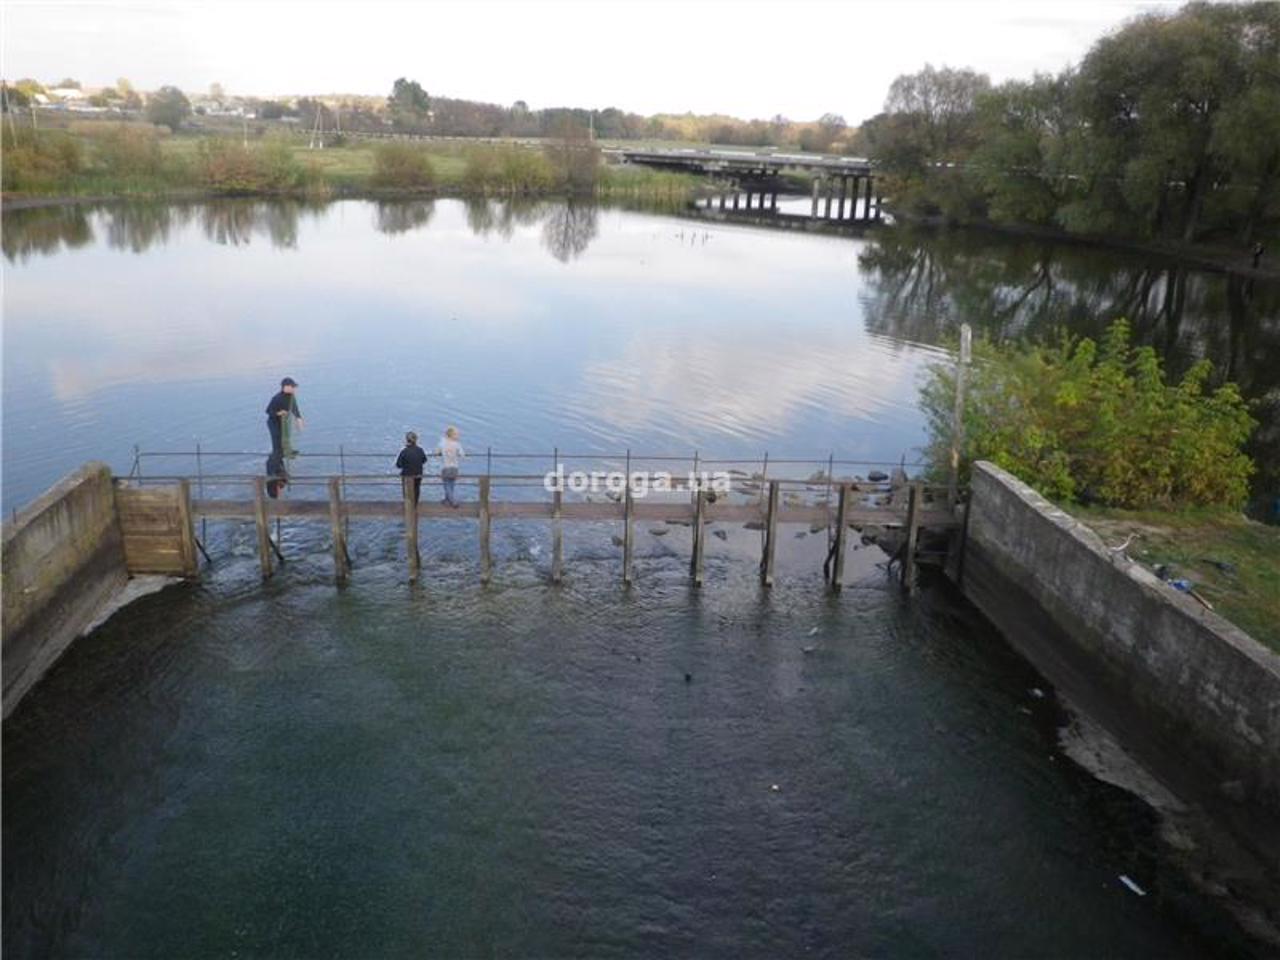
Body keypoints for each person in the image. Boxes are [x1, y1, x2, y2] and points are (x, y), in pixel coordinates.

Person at [266, 377, 304, 458]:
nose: (294, 388)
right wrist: (279, 413)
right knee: (277, 446)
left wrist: (298, 419)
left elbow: (294, 408)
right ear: (285, 387)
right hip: (274, 423)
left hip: (283, 422)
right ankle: (272, 468)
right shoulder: (277, 398)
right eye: (292, 387)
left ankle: (286, 454)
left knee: (285, 440)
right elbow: (268, 411)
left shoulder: (291, 396)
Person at [435, 425, 465, 507]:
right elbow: (462, 455)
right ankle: (447, 500)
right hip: (455, 467)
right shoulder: (457, 444)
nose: (458, 436)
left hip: (446, 467)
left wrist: (441, 453)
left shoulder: (442, 443)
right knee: (451, 484)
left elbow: (436, 453)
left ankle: (452, 501)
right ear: (452, 435)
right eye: (457, 434)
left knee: (446, 485)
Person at [396, 431, 428, 505]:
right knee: (417, 488)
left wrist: (406, 464)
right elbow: (424, 460)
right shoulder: (420, 450)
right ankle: (415, 503)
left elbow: (398, 465)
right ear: (416, 440)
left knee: (406, 489)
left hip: (407, 474)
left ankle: (408, 503)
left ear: (407, 440)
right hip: (418, 474)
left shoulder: (404, 451)